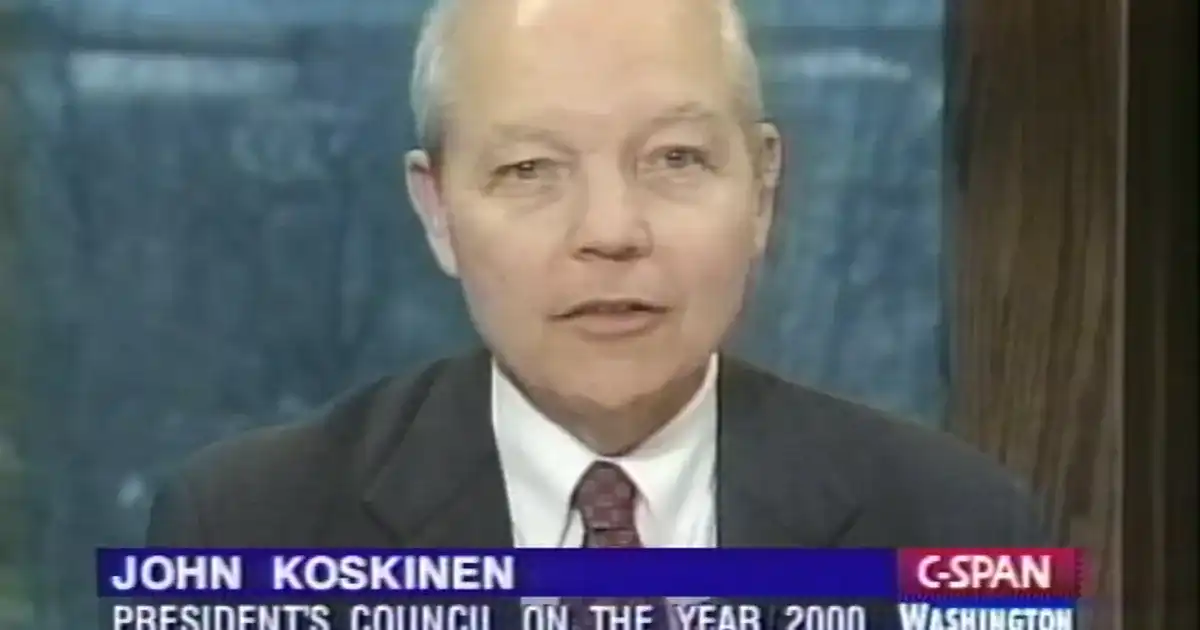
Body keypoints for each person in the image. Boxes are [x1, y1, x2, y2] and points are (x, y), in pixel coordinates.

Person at [146, 0, 1050, 625]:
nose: (611, 232)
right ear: (437, 211)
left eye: (676, 159)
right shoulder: (244, 532)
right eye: (530, 170)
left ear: (763, 190)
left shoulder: (963, 529)